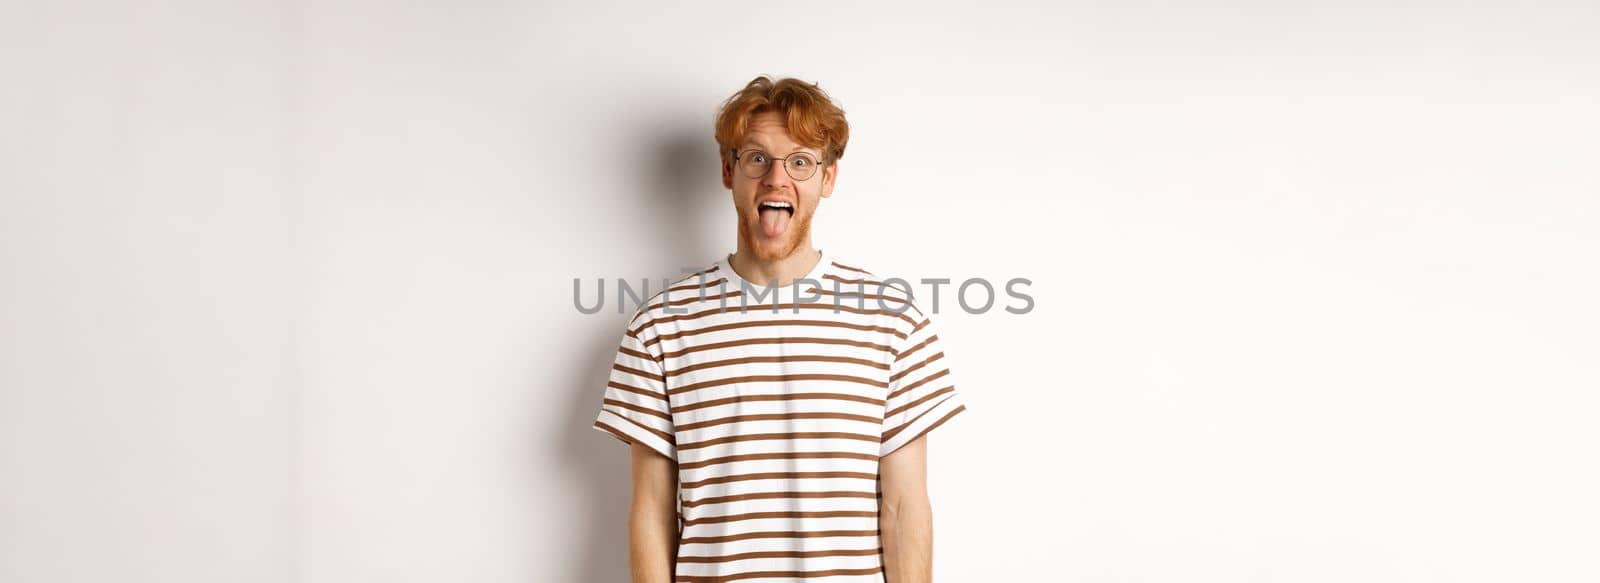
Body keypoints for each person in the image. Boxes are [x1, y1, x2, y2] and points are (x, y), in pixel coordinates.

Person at [592, 75, 967, 582]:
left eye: (800, 162)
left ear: (827, 179)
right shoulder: (659, 327)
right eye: (757, 158)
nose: (776, 179)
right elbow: (652, 515)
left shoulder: (894, 322)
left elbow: (904, 509)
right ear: (729, 170)